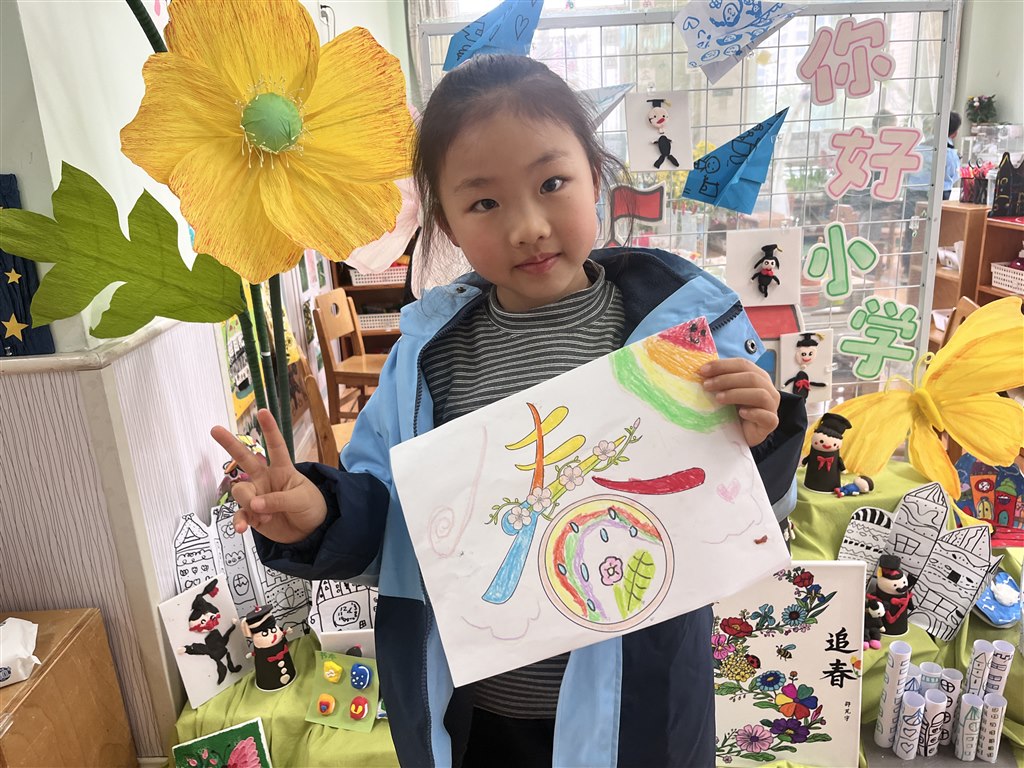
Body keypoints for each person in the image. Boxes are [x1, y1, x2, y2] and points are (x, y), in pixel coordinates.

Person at [212, 54, 805, 767]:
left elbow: (756, 513)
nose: (527, 226)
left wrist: (762, 436)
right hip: (477, 721)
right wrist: (322, 514)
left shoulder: (677, 336)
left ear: (596, 178)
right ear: (446, 222)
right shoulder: (427, 361)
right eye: (484, 203)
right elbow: (390, 520)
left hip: (640, 715)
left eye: (552, 183)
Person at [944, 111, 962, 200]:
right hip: (941, 191)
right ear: (955, 134)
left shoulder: (921, 147)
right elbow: (955, 174)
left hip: (913, 189)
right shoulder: (950, 153)